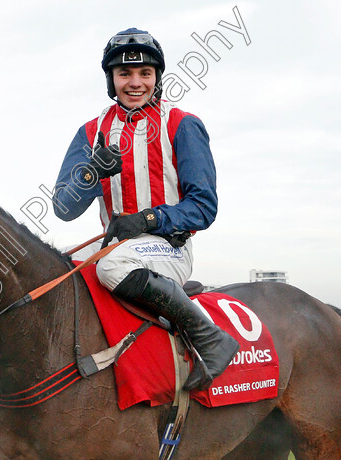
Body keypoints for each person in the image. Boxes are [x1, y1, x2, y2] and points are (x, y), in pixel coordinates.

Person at [52, 28, 238, 391]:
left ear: (157, 78)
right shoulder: (91, 133)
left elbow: (204, 207)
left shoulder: (182, 124)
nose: (135, 83)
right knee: (57, 270)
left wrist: (149, 219)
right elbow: (62, 207)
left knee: (111, 265)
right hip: (114, 247)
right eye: (125, 74)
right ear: (112, 80)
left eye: (145, 74)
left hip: (169, 248)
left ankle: (209, 336)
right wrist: (91, 175)